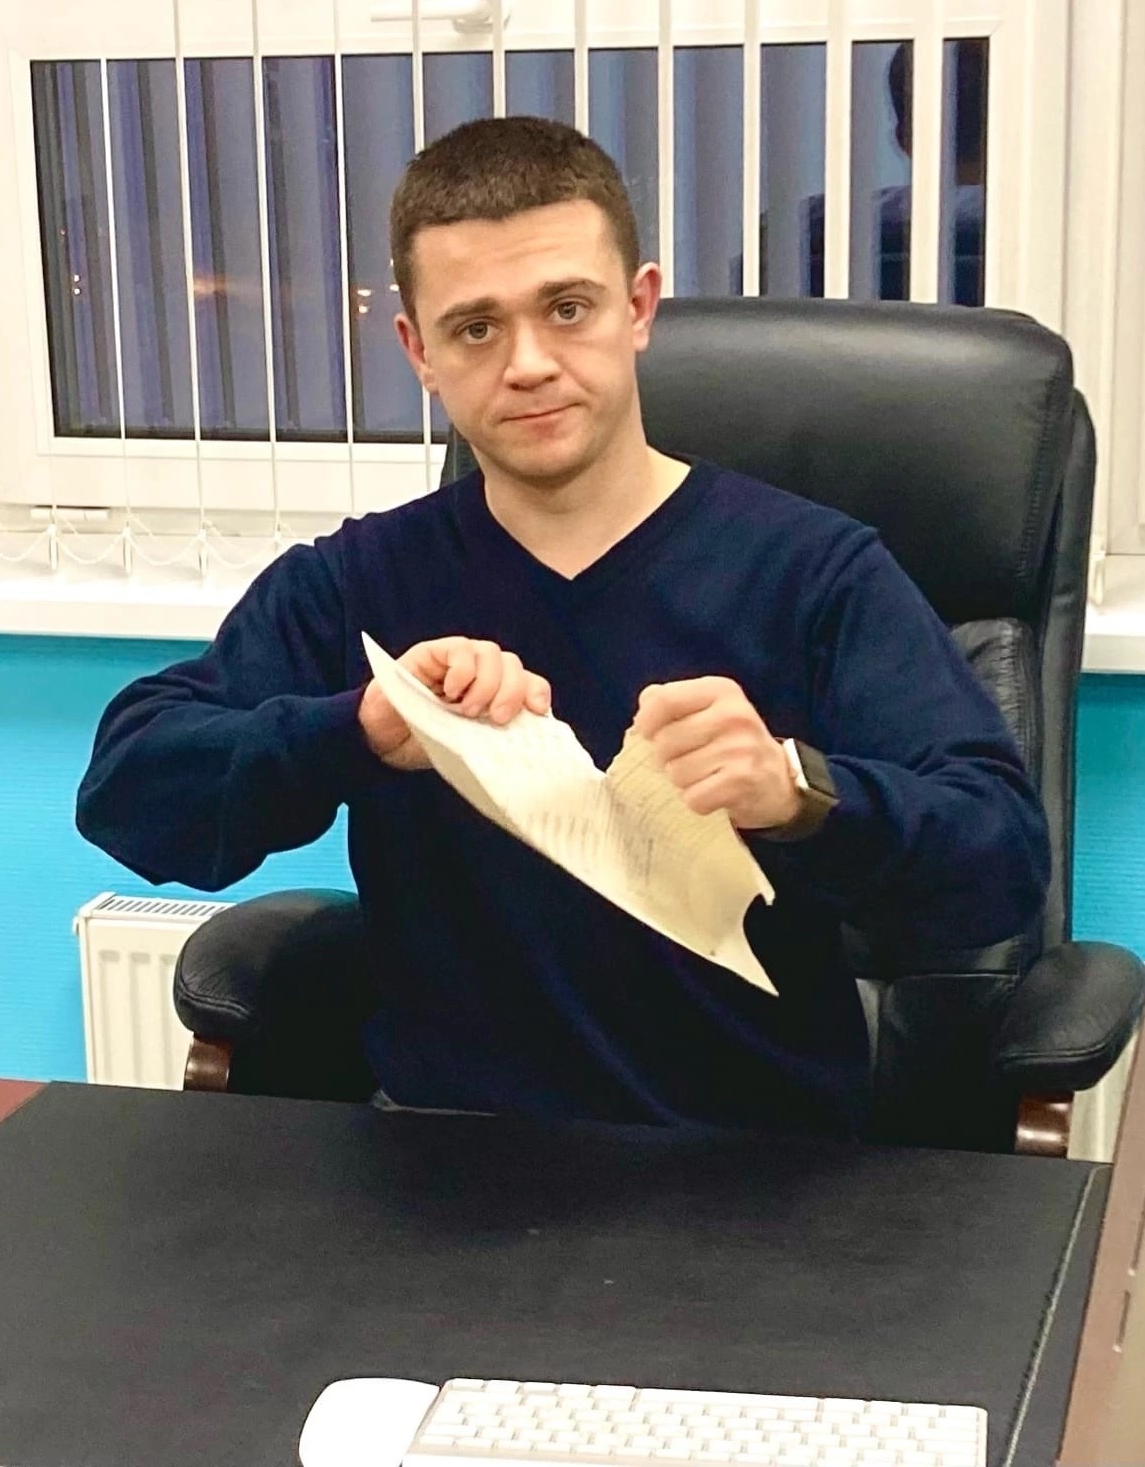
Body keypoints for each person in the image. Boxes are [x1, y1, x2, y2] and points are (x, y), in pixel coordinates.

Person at [76, 116, 1047, 1138]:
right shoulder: (361, 582)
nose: (529, 363)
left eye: (568, 308)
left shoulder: (815, 574)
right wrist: (358, 727)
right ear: (419, 351)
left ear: (639, 308)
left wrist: (798, 792)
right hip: (447, 1155)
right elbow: (128, 796)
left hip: (756, 1171)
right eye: (475, 328)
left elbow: (1001, 868)